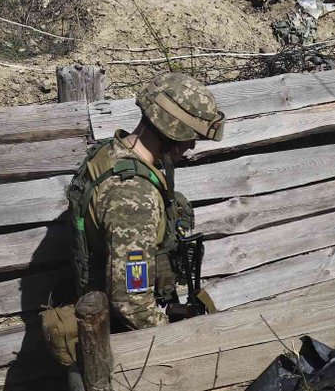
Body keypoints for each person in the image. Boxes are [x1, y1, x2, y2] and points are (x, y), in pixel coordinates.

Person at [66, 72, 224, 331]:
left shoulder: (110, 153)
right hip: (122, 336)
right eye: (191, 135)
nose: (192, 145)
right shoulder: (133, 197)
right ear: (173, 130)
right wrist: (174, 335)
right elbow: (131, 304)